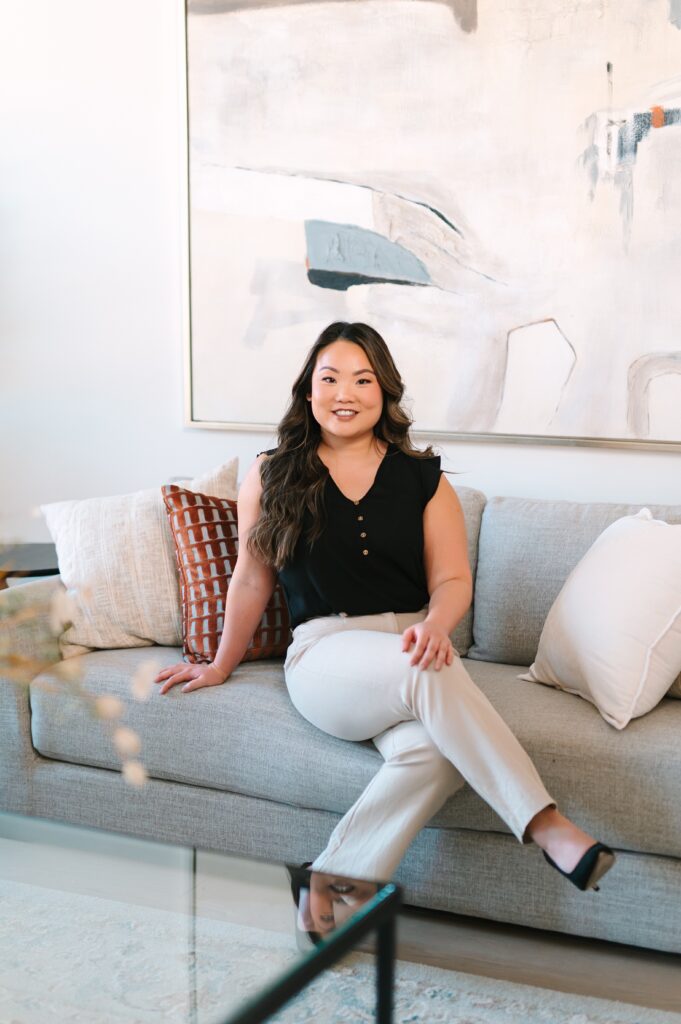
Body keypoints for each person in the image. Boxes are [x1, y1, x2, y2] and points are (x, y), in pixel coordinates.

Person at [155, 321, 616, 895]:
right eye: (329, 379)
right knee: (426, 669)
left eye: (362, 380)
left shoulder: (423, 478)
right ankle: (548, 827)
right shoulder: (272, 472)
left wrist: (438, 626)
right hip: (327, 654)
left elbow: (451, 578)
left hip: (412, 644)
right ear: (308, 391)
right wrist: (220, 663)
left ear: (385, 392)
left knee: (436, 756)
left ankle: (329, 886)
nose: (343, 393)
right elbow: (251, 578)